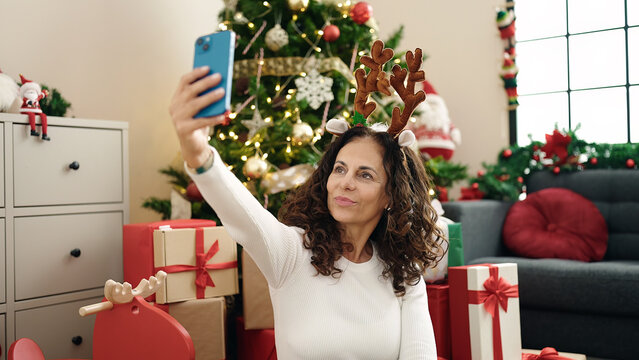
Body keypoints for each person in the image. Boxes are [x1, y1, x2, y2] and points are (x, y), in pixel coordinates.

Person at [170, 43, 444, 359]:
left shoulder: (403, 273)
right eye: (340, 169)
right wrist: (198, 153)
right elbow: (240, 211)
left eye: (365, 175)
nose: (345, 182)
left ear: (390, 196)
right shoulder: (291, 253)